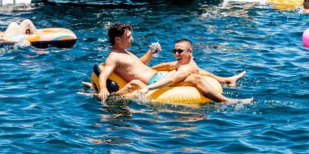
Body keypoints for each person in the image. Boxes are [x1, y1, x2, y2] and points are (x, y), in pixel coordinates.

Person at [97, 24, 250, 104]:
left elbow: (139, 65)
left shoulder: (125, 52)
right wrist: (103, 88)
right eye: (129, 36)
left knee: (190, 67)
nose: (132, 39)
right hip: (154, 82)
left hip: (158, 76)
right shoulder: (114, 56)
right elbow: (104, 74)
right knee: (195, 78)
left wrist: (150, 53)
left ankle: (225, 80)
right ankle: (228, 102)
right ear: (117, 39)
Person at [137, 39, 251, 103]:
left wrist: (148, 88)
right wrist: (148, 69)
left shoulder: (187, 68)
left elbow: (171, 79)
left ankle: (226, 99)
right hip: (153, 80)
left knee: (196, 77)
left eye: (179, 51)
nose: (176, 53)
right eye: (174, 50)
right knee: (197, 73)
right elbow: (167, 65)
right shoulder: (184, 63)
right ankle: (226, 82)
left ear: (190, 51)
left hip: (156, 82)